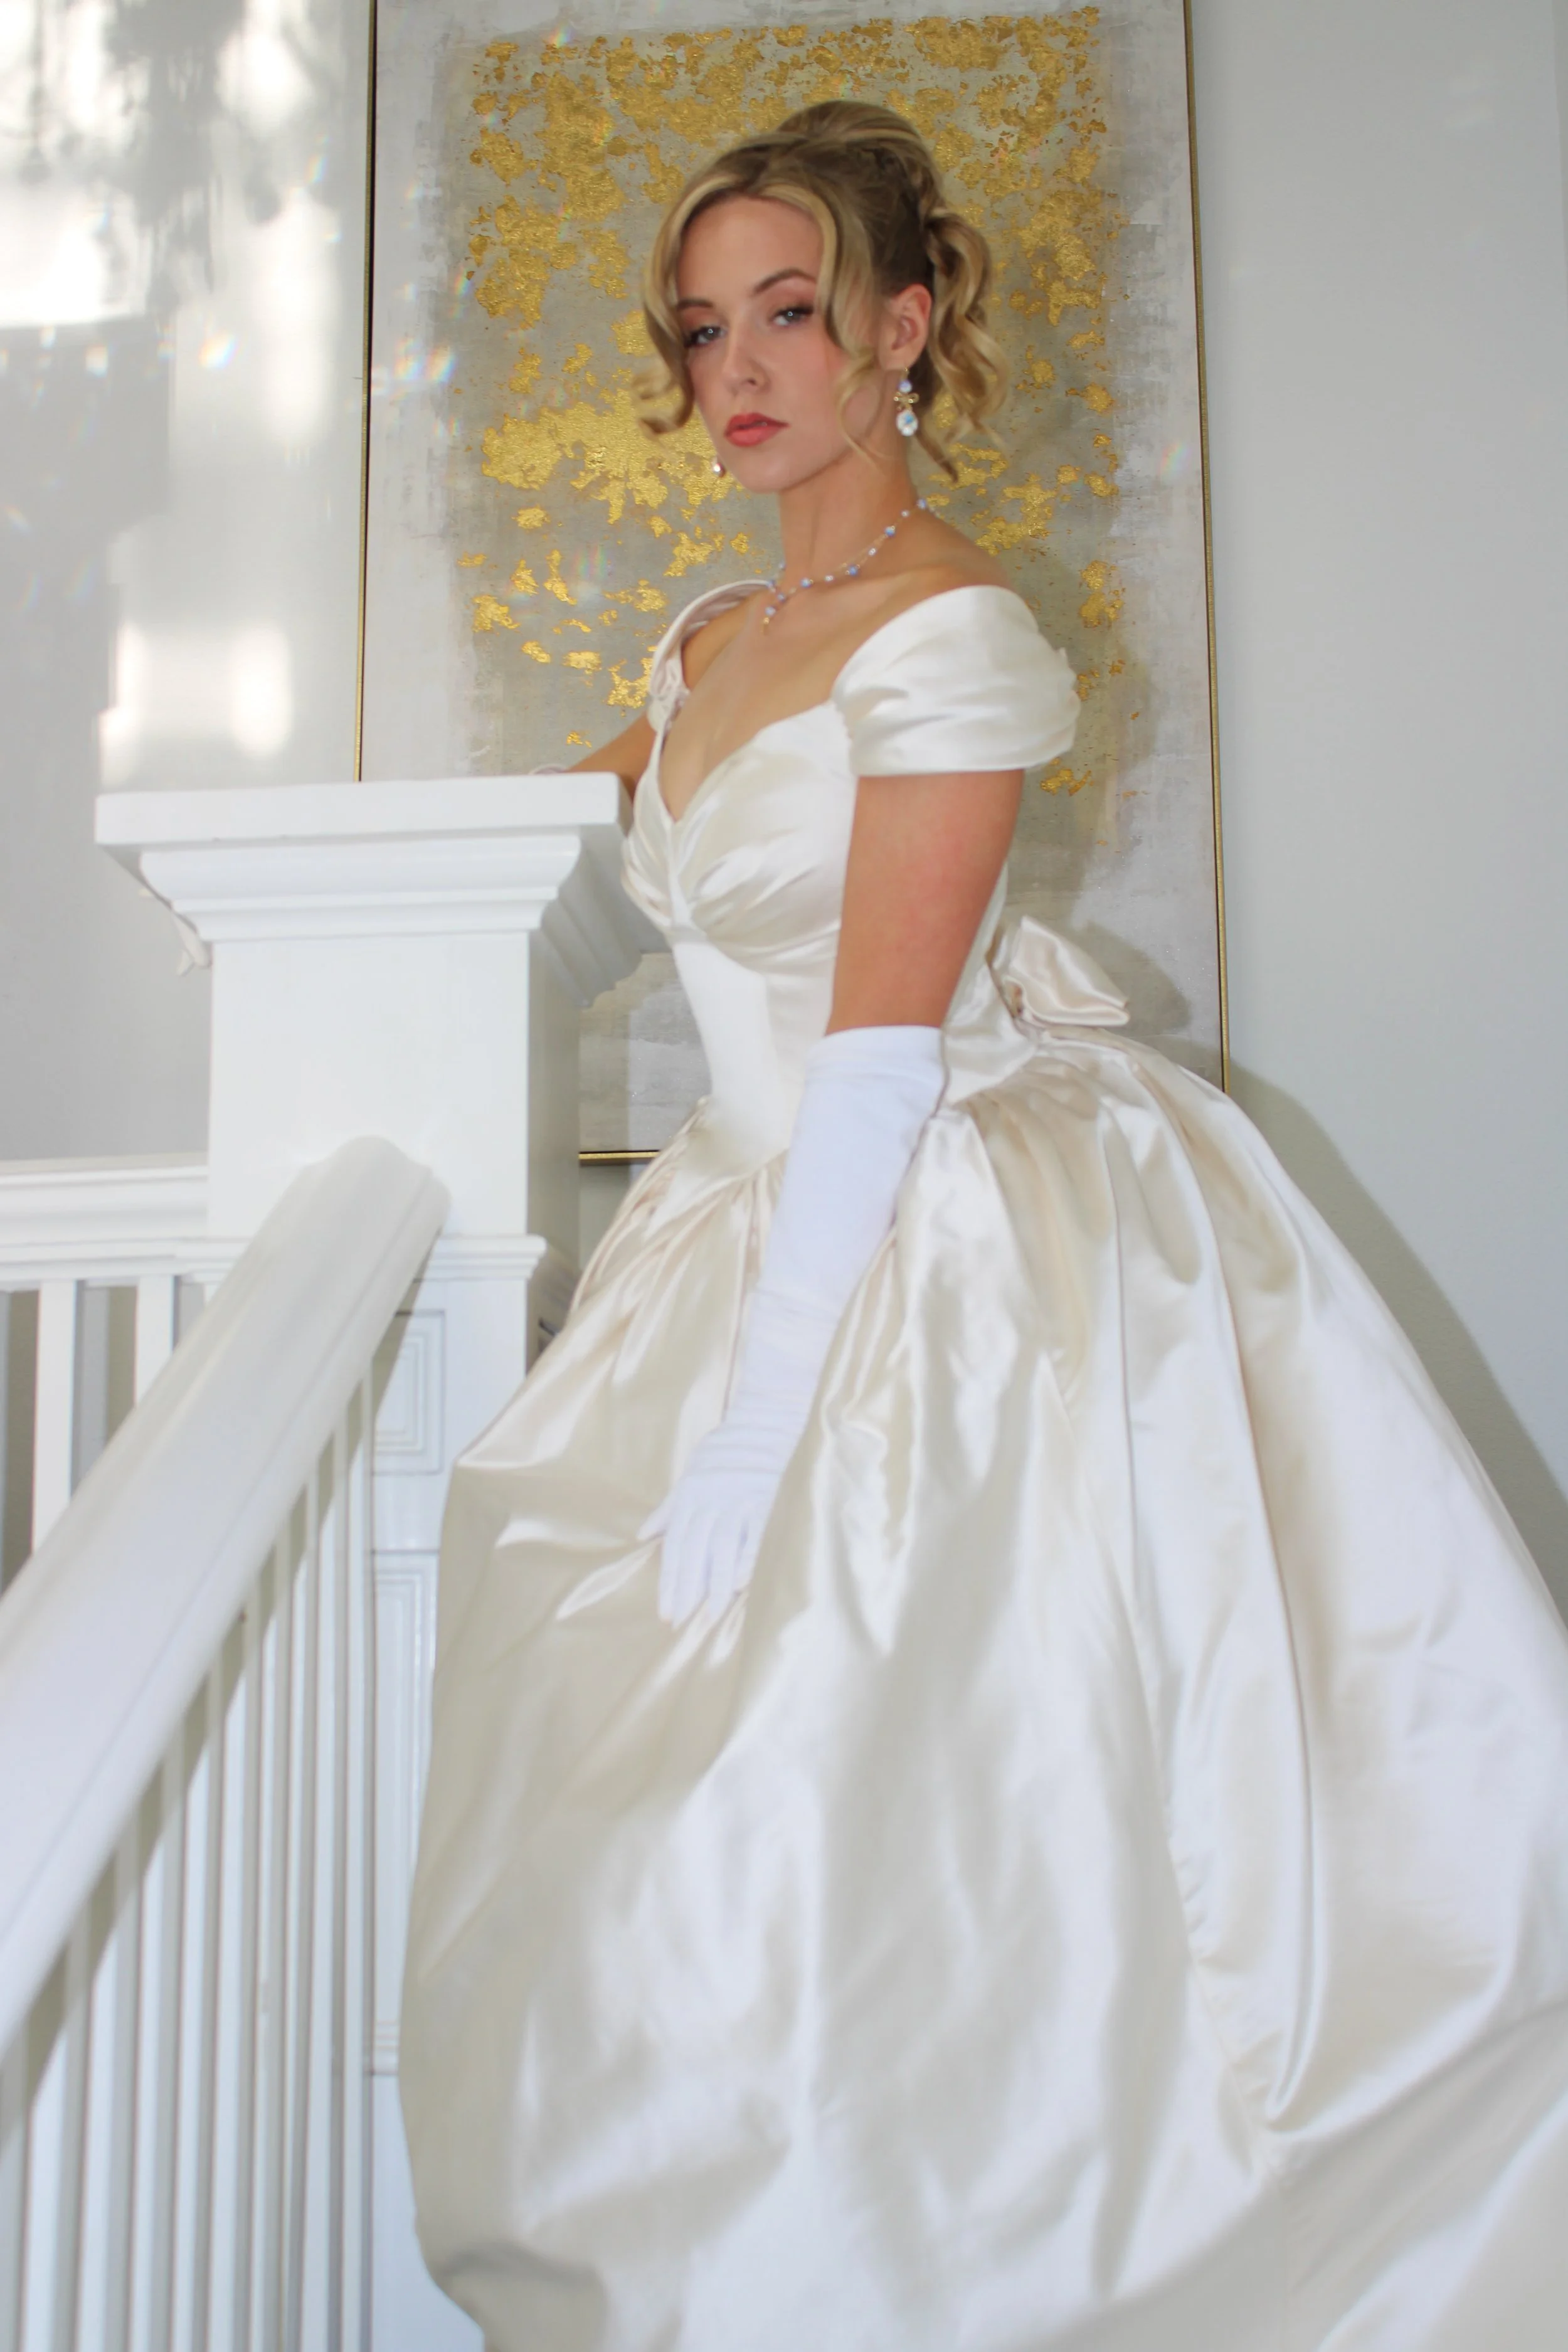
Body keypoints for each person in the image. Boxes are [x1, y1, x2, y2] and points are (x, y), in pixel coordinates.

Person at [398, 102, 1568, 2351]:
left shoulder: (951, 630)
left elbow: (873, 1055)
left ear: (902, 330)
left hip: (916, 1241)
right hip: (731, 1222)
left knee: (927, 1831)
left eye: (791, 311)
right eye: (701, 326)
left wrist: (766, 1417)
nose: (738, 367)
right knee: (685, 1870)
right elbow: (511, 879)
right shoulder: (706, 638)